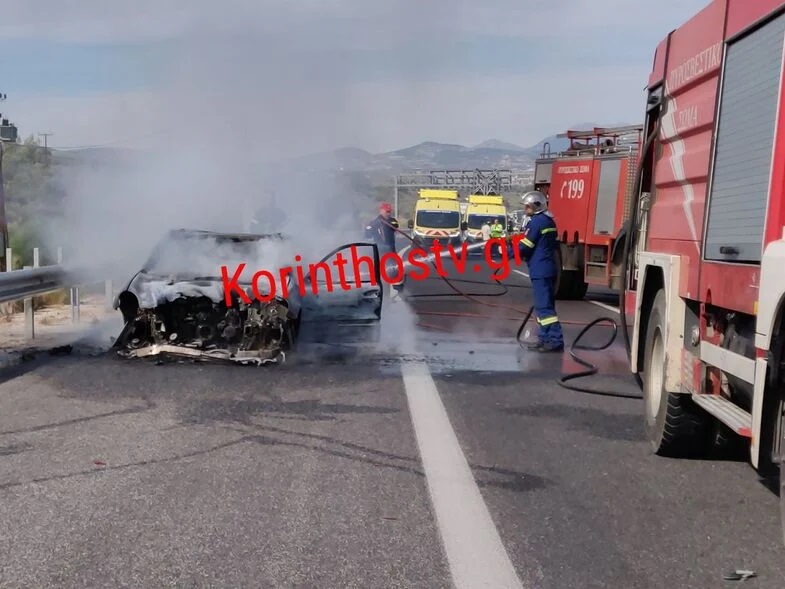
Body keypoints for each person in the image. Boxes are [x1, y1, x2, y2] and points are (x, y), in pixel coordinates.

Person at [509, 191, 564, 352]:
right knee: (543, 307)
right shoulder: (548, 221)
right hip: (546, 268)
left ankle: (554, 339)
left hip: (541, 269)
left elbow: (526, 246)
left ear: (536, 206)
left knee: (544, 307)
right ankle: (545, 338)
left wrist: (506, 252)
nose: (525, 209)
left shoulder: (537, 222)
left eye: (527, 206)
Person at [364, 202, 403, 299]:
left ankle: (397, 290)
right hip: (380, 252)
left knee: (395, 271)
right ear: (381, 211)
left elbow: (395, 225)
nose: (388, 213)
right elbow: (367, 234)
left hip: (391, 251)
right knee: (382, 274)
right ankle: (383, 295)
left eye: (389, 212)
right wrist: (370, 228)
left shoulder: (392, 221)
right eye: (386, 211)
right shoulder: (374, 223)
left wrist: (387, 223)